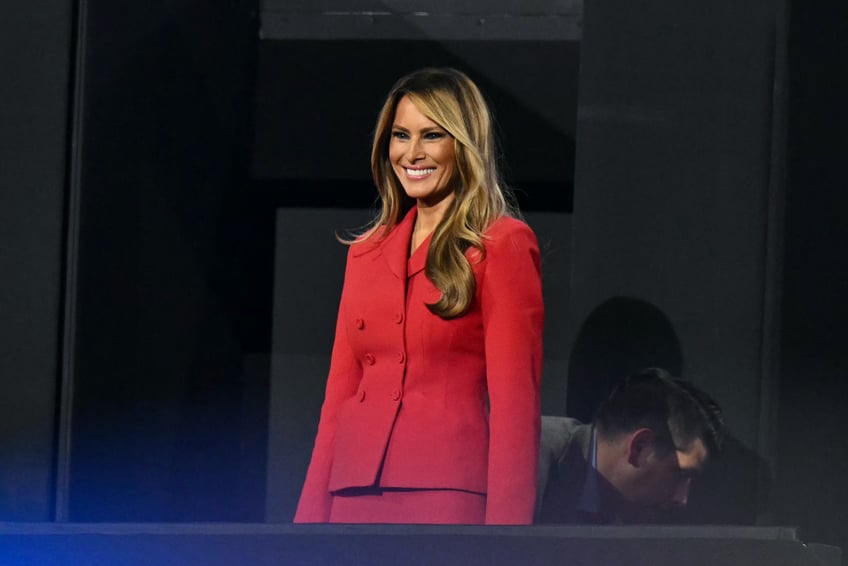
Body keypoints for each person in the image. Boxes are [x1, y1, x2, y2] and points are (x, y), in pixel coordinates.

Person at [294, 67, 544, 525]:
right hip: (351, 495)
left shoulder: (501, 244)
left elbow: (515, 409)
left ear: (463, 143)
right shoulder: (365, 254)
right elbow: (338, 400)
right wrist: (307, 527)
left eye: (431, 136)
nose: (412, 153)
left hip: (444, 495)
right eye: (400, 135)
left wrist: (508, 541)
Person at [536, 367, 725, 524]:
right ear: (639, 447)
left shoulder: (622, 515)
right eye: (680, 474)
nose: (682, 499)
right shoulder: (531, 456)